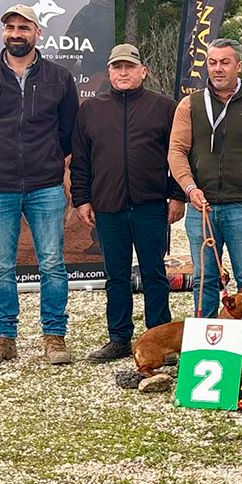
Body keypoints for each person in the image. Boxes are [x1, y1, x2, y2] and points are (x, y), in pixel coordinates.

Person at [0, 0, 80, 365]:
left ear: (37, 33)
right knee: (2, 266)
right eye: (9, 27)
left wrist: (50, 162)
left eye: (23, 27)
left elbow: (69, 132)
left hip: (45, 187)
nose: (15, 33)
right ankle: (4, 336)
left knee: (53, 263)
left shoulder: (59, 78)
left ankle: (54, 336)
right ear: (3, 33)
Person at [70, 43, 186, 361]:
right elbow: (81, 160)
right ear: (109, 72)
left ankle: (159, 338)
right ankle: (119, 338)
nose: (123, 73)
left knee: (154, 274)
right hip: (108, 207)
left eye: (130, 67)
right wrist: (82, 199)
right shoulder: (90, 110)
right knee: (116, 276)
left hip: (151, 206)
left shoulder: (164, 107)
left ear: (142, 72)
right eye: (117, 67)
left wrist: (177, 195)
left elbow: (179, 155)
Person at [167, 38, 242, 318]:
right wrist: (189, 187)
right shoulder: (189, 105)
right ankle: (206, 340)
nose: (218, 69)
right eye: (212, 62)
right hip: (201, 208)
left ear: (239, 66)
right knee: (204, 278)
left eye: (225, 62)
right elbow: (176, 151)